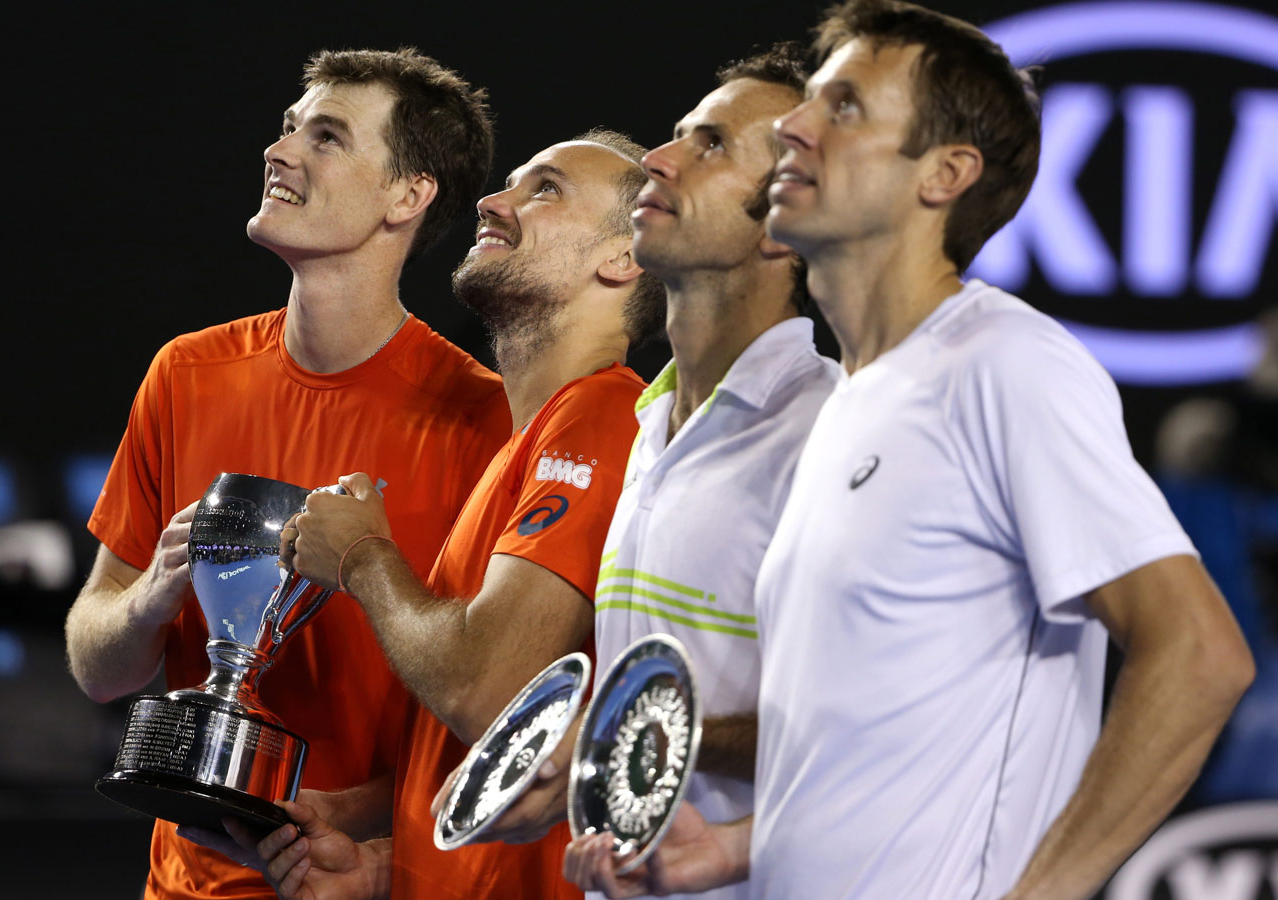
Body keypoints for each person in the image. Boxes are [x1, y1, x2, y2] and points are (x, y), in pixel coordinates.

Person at [564, 2, 1256, 898]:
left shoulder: (1002, 361)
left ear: (945, 175)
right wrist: (741, 847)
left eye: (843, 108)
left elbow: (1200, 654)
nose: (799, 129)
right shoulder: (849, 403)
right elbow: (876, 730)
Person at [64, 48, 510, 900]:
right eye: (287, 127)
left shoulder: (483, 421)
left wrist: (339, 818)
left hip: (362, 882)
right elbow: (98, 667)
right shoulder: (185, 372)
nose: (282, 151)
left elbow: (491, 707)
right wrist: (151, 598)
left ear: (407, 196)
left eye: (328, 136)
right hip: (187, 886)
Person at [223, 131, 667, 900]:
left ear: (623, 258)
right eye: (511, 185)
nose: (493, 202)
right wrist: (376, 838)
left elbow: (485, 692)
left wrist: (363, 555)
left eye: (547, 189)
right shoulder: (527, 441)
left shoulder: (602, 415)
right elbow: (518, 744)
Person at [468, 45, 839, 900]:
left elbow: (860, 726)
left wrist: (619, 727)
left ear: (783, 221)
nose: (659, 164)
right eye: (677, 136)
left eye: (710, 147)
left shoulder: (829, 432)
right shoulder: (648, 428)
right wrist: (581, 771)